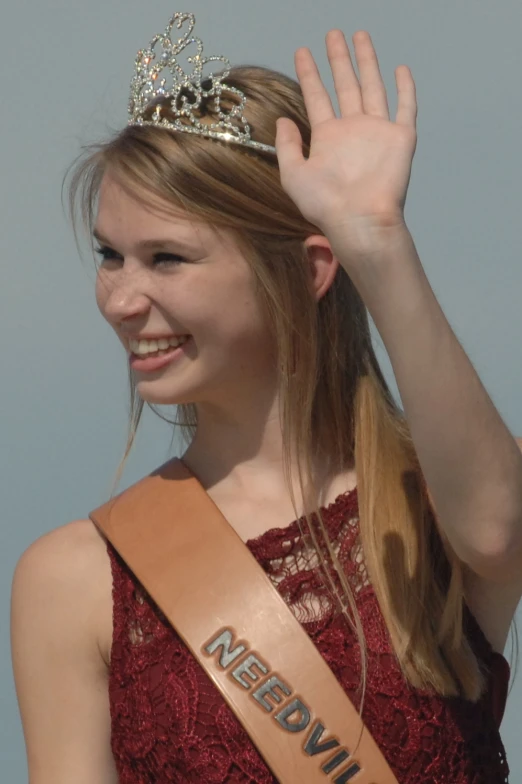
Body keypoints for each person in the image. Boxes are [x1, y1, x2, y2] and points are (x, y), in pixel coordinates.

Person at [10, 10, 522, 783]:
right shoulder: (75, 580)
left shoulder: (431, 510)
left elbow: (497, 533)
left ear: (312, 270)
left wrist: (378, 242)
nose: (120, 299)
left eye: (168, 259)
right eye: (111, 256)